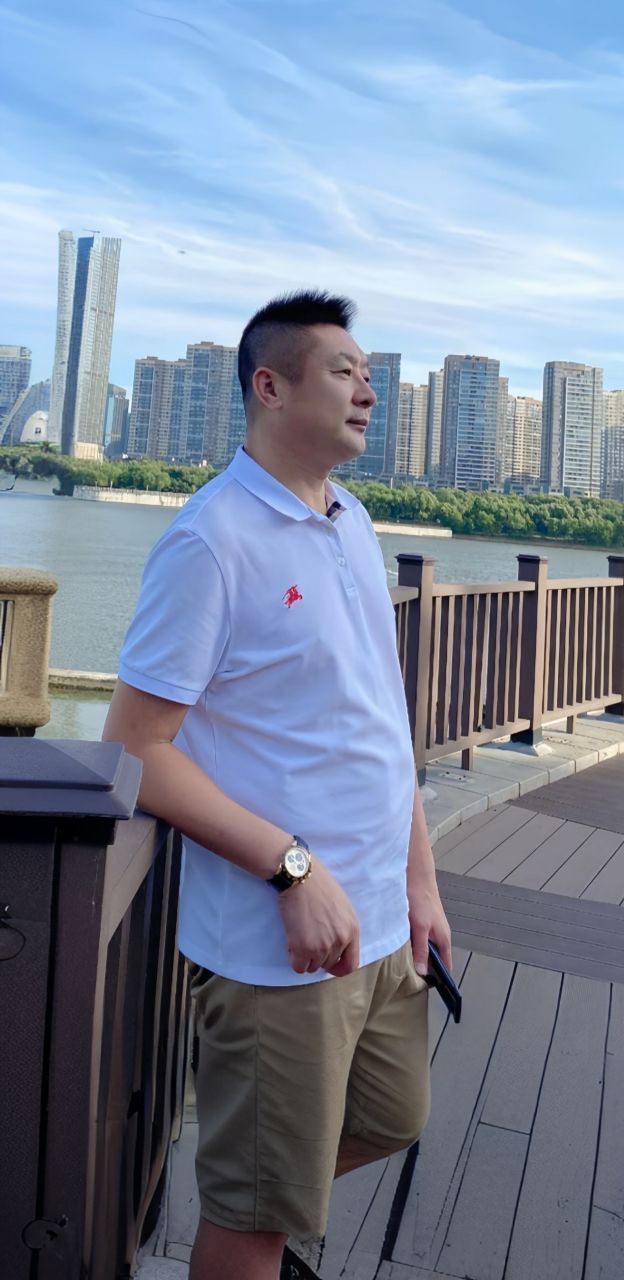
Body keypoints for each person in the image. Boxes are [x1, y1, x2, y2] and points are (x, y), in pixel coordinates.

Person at [103, 290, 452, 1280]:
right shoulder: (210, 540)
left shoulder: (350, 519)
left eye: (369, 375)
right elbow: (136, 745)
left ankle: (255, 1203)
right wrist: (291, 868)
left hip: (379, 921)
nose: (368, 392)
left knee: (391, 1114)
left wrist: (419, 879)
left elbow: (380, 716)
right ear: (270, 386)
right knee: (256, 1212)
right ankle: (244, 1235)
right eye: (344, 372)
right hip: (280, 947)